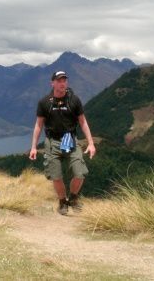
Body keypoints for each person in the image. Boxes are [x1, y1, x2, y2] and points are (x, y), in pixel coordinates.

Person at [29, 71, 96, 215]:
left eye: (64, 80)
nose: (62, 83)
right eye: (59, 80)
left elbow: (83, 122)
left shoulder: (74, 101)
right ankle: (62, 202)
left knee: (80, 173)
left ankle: (73, 198)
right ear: (52, 83)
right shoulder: (44, 102)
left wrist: (91, 143)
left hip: (70, 140)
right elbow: (38, 125)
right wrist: (33, 147)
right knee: (56, 175)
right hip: (52, 141)